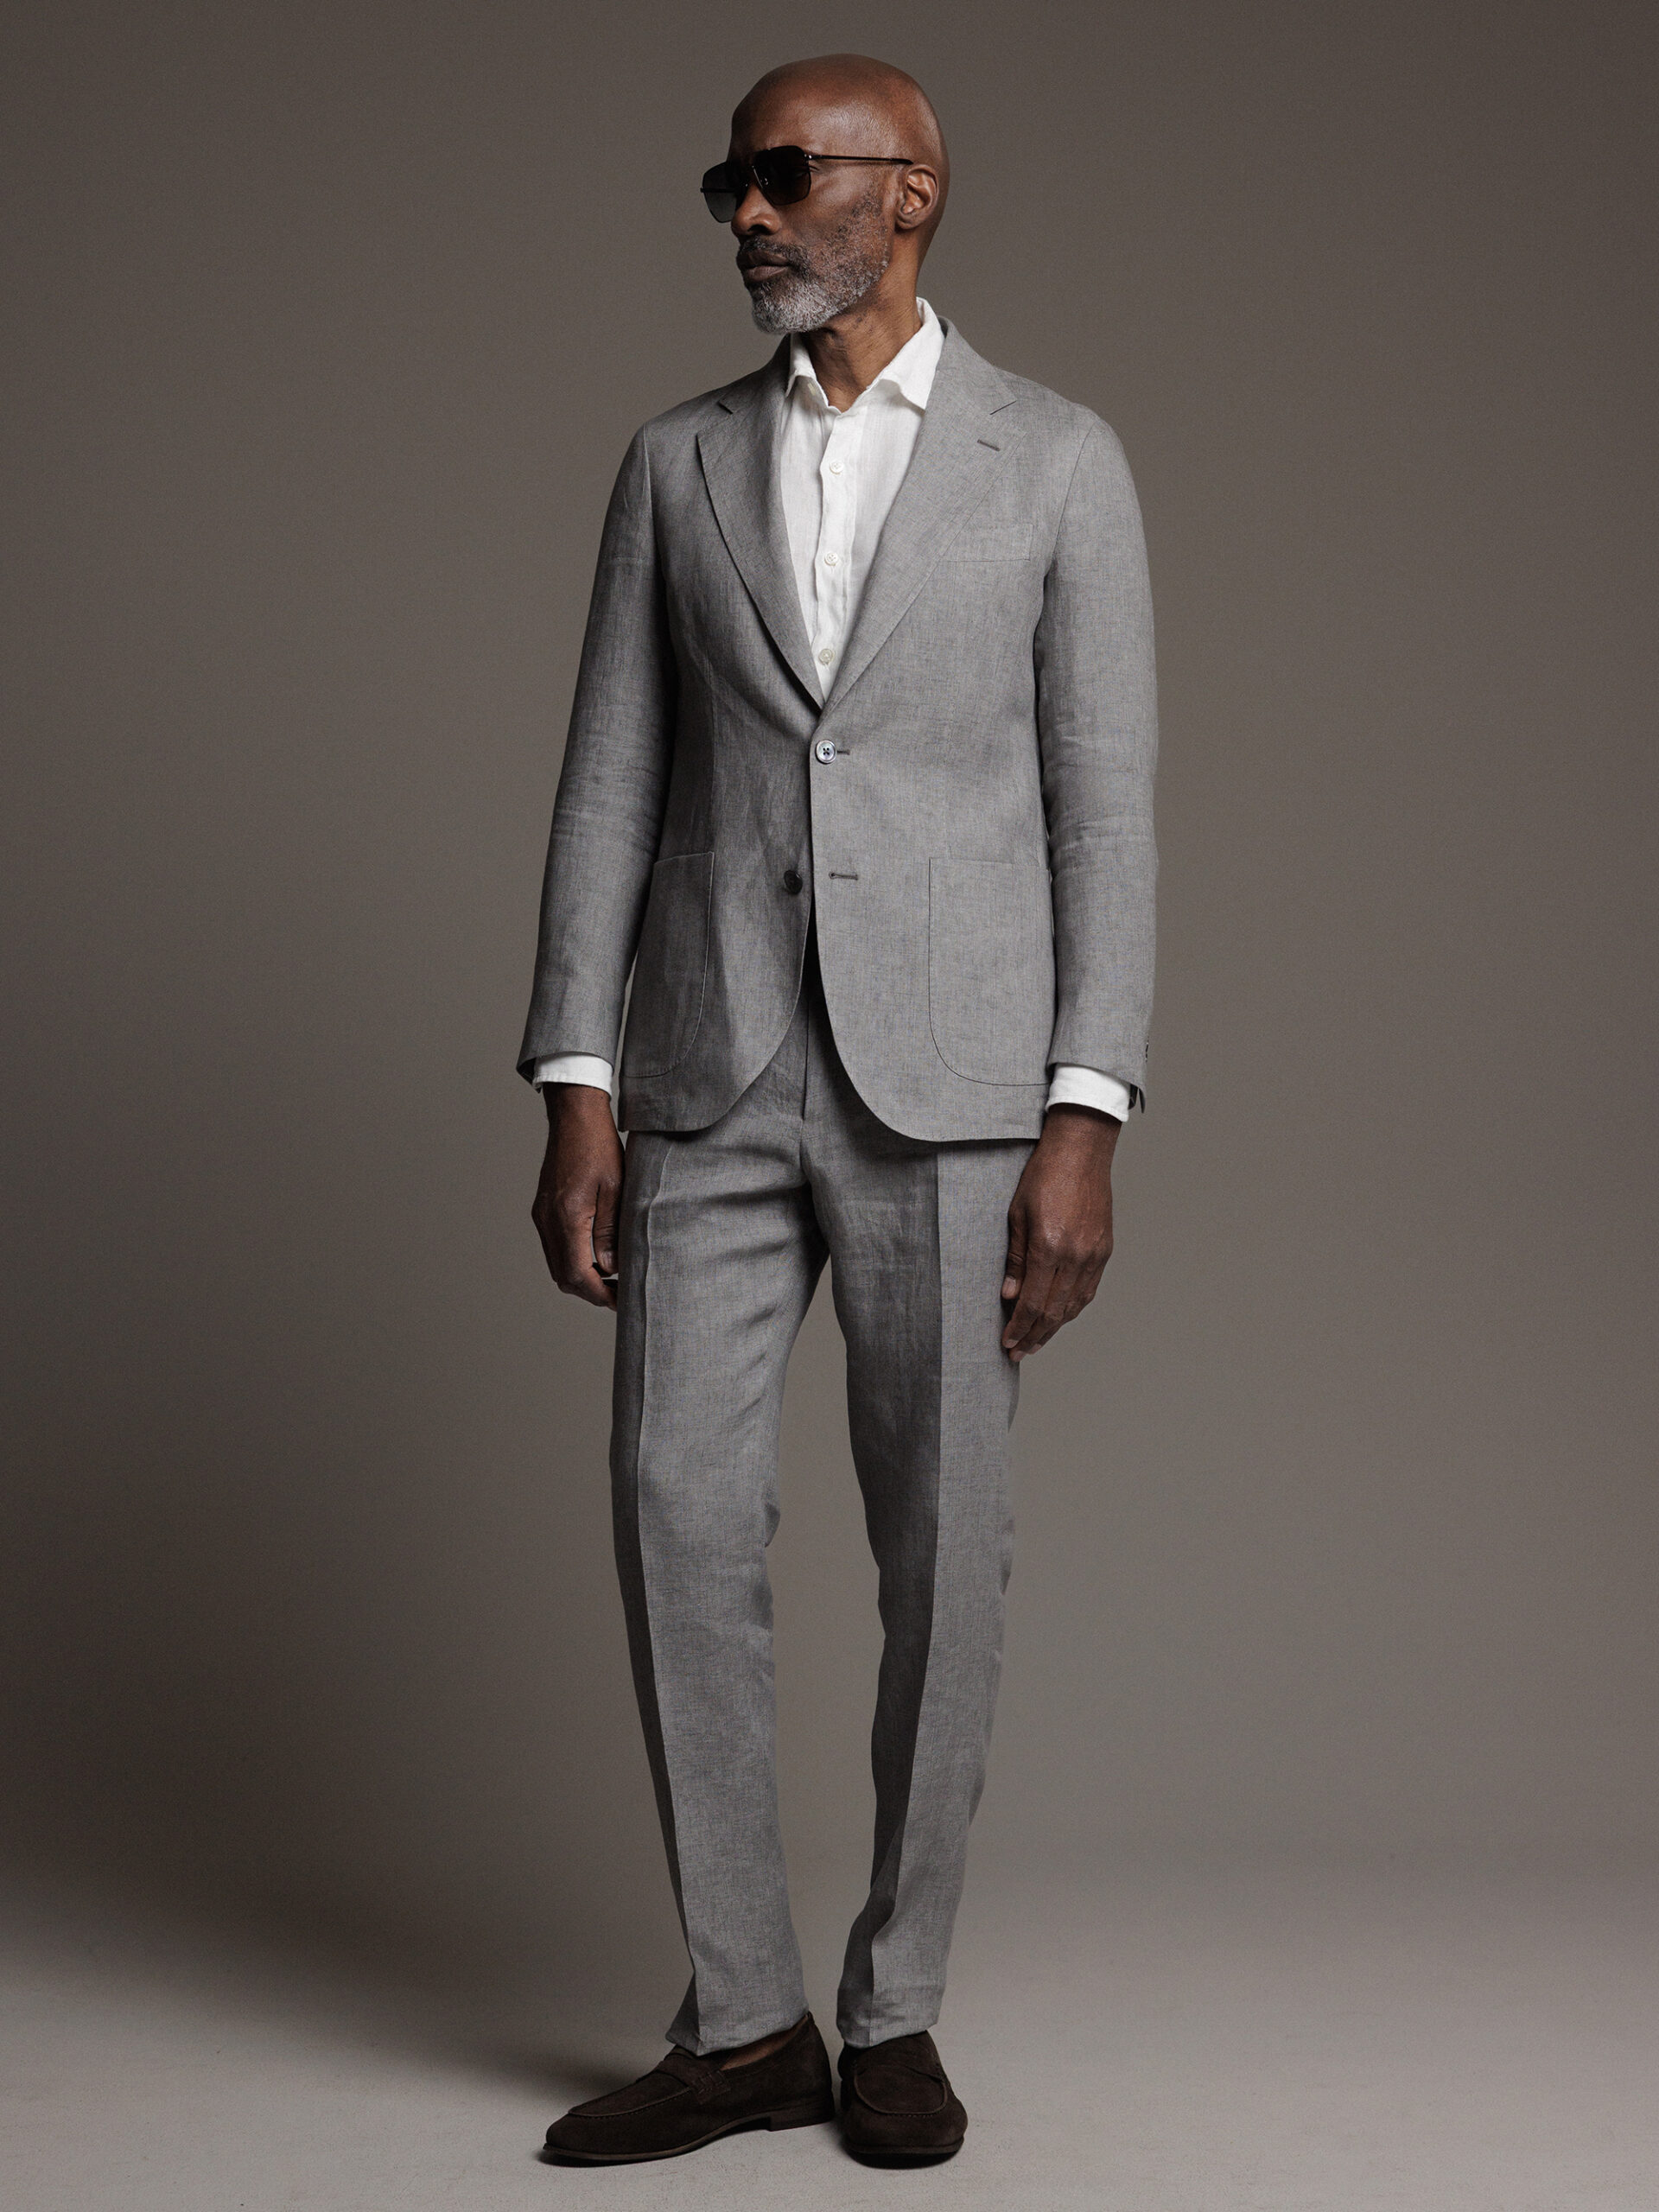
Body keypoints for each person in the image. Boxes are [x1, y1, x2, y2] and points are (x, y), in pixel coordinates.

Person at [524, 51, 1155, 2166]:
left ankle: (895, 2007)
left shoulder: (1057, 463)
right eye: (732, 180)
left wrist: (1085, 1116)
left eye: (785, 175)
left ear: (913, 194)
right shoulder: (673, 464)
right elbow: (609, 782)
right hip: (706, 1072)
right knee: (678, 1518)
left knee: (945, 1551)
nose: (748, 215)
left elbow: (1107, 815)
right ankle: (742, 2018)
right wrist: (578, 1078)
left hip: (956, 1090)